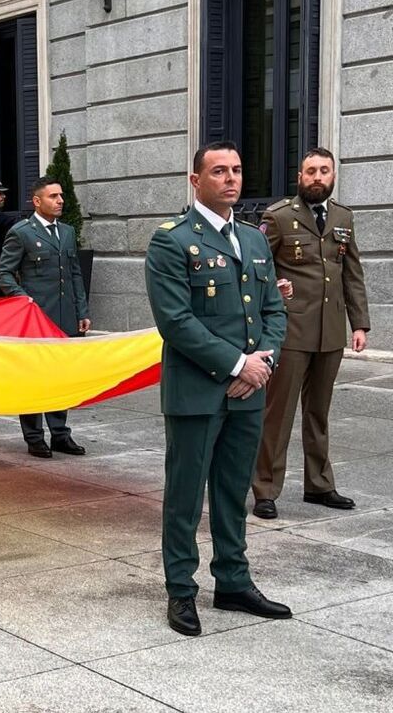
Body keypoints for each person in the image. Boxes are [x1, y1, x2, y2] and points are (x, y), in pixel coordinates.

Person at [145, 141, 291, 637]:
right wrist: (236, 366)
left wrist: (262, 363)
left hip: (249, 393)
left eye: (237, 169)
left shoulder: (252, 239)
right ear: (196, 180)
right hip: (196, 393)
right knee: (185, 496)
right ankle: (181, 591)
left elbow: (273, 309)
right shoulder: (171, 240)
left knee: (232, 493)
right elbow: (176, 322)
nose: (231, 179)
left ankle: (232, 581)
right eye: (219, 171)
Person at [252, 148, 370, 519]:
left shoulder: (343, 218)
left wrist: (360, 323)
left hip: (330, 331)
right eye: (310, 171)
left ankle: (319, 485)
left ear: (333, 175)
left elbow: (352, 273)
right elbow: (258, 269)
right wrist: (273, 290)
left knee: (318, 412)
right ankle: (266, 489)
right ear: (299, 176)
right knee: (279, 413)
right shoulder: (279, 216)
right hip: (291, 330)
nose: (317, 177)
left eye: (323, 171)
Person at [0, 176, 90, 457]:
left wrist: (81, 312)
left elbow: (74, 273)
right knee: (34, 379)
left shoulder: (68, 232)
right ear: (37, 201)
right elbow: (3, 273)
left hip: (64, 319)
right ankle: (34, 436)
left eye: (60, 196)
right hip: (36, 320)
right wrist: (25, 301)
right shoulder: (22, 232)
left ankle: (60, 434)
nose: (60, 200)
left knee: (61, 378)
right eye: (53, 196)